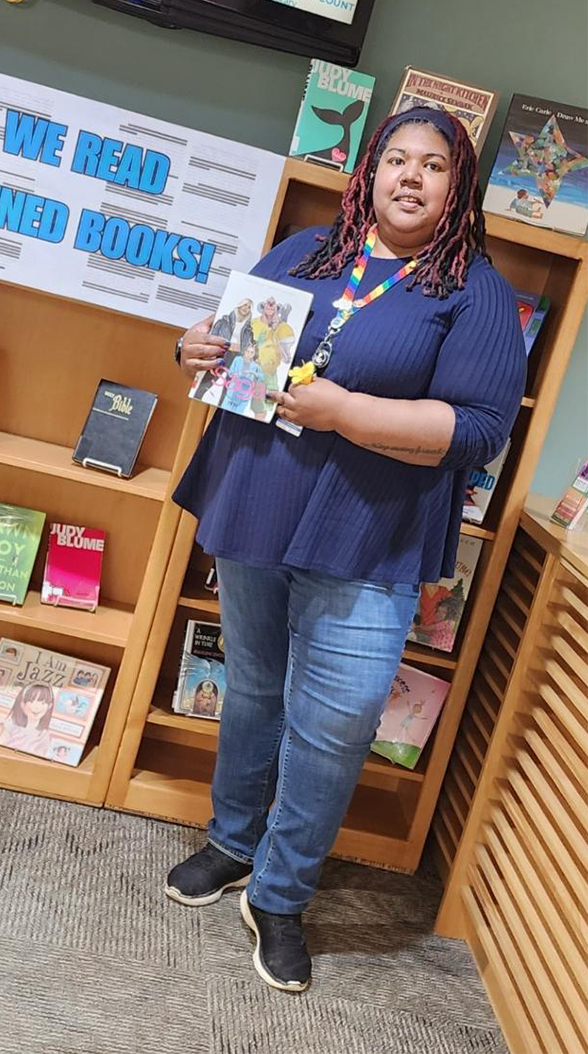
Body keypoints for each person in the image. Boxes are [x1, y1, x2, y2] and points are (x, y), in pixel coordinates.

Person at [166, 106, 526, 993]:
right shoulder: (304, 253)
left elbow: (479, 430)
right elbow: (226, 350)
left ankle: (281, 895)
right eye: (395, 159)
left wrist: (347, 415)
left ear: (458, 185)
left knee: (337, 722)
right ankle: (232, 839)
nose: (411, 176)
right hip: (259, 504)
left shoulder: (473, 289)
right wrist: (191, 349)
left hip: (370, 533)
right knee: (251, 685)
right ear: (367, 171)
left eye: (433, 165)